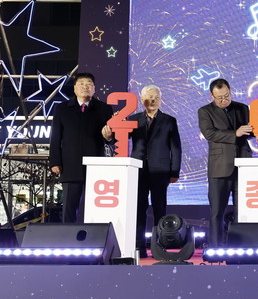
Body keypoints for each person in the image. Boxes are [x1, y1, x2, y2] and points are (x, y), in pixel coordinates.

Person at [49, 72, 114, 223]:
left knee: (96, 208)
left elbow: (112, 138)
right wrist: (55, 161)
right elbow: (55, 137)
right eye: (82, 84)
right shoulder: (62, 108)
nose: (85, 87)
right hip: (70, 166)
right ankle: (68, 236)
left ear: (94, 88)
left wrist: (109, 137)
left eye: (89, 84)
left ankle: (95, 236)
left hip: (96, 166)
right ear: (74, 88)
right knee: (69, 209)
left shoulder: (104, 109)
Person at [127, 85, 182, 258]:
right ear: (142, 99)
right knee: (138, 209)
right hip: (138, 171)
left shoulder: (169, 120)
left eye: (156, 97)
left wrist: (174, 171)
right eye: (150, 97)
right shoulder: (133, 119)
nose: (153, 100)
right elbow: (119, 138)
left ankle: (159, 246)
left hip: (161, 171)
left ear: (161, 100)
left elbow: (176, 148)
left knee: (160, 209)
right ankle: (139, 246)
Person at [198, 78, 253, 247]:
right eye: (220, 97)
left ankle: (240, 247)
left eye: (227, 96)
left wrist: (256, 130)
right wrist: (235, 133)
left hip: (243, 164)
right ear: (212, 96)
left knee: (242, 210)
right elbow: (210, 134)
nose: (224, 100)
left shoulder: (242, 108)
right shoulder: (205, 111)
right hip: (219, 167)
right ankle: (215, 247)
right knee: (217, 211)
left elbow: (249, 132)